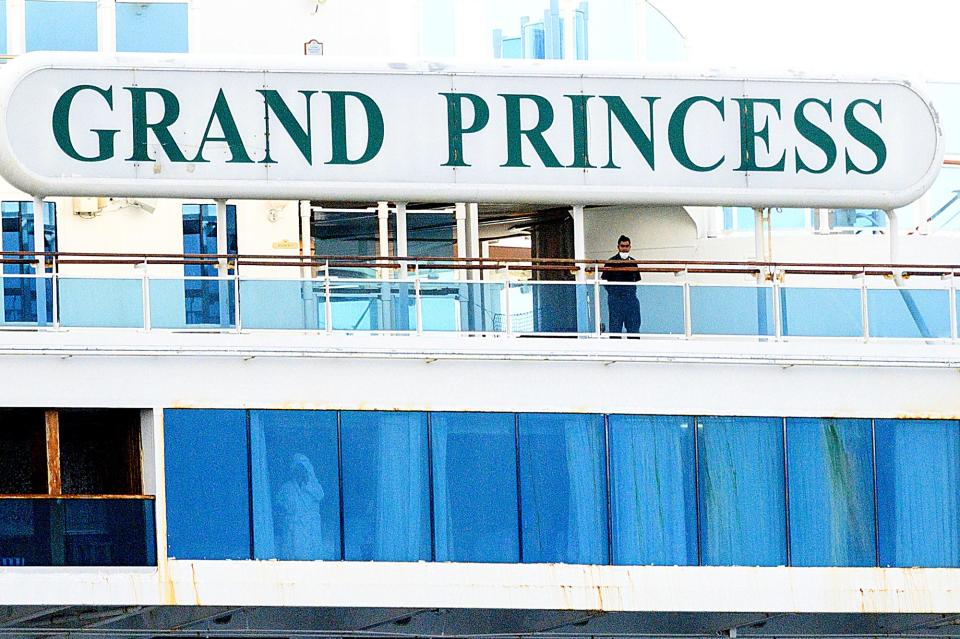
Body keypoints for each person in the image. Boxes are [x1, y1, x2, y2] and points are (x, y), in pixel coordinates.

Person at [600, 235, 641, 334]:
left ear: (630, 247)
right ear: (618, 247)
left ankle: (634, 348)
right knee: (615, 328)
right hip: (616, 300)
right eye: (622, 246)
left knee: (634, 327)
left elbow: (637, 279)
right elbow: (604, 280)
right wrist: (613, 292)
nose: (625, 249)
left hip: (630, 299)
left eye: (627, 246)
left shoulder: (633, 262)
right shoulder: (611, 262)